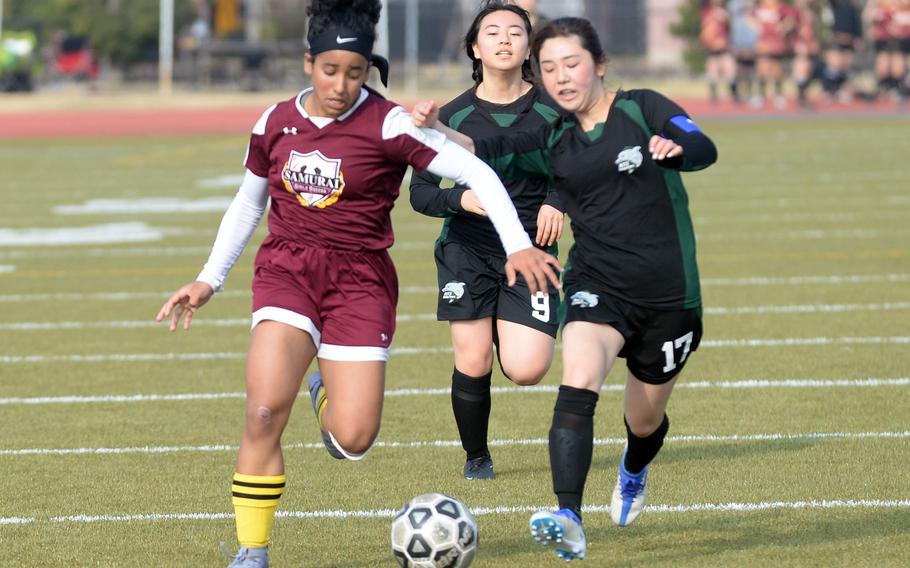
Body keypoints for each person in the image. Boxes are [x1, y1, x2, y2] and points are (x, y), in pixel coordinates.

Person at [154, 1, 561, 566]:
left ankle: (325, 393)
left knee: (354, 438)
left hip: (360, 282)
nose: (342, 85)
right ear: (308, 63)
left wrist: (517, 243)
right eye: (330, 71)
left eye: (355, 72)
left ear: (368, 68)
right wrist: (208, 279)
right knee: (265, 410)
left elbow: (478, 174)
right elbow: (249, 203)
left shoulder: (390, 123)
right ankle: (252, 551)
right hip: (288, 272)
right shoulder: (273, 122)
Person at [413, 16, 718, 562]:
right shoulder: (553, 134)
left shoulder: (642, 106)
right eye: (550, 68)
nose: (560, 76)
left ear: (599, 65)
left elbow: (702, 145)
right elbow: (487, 142)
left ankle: (632, 469)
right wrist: (433, 128)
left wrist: (678, 150)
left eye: (570, 64)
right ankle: (569, 516)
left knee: (643, 421)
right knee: (577, 379)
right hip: (594, 284)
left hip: (668, 295)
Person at [409, 0, 565, 482]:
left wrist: (558, 201)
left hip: (530, 250)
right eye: (492, 31)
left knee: (526, 368)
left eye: (515, 32)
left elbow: (581, 168)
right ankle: (477, 457)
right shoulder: (450, 117)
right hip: (467, 248)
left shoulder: (552, 110)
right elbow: (420, 194)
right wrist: (462, 200)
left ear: (528, 46)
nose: (503, 39)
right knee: (473, 357)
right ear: (475, 47)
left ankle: (505, 319)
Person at [754, 0, 799, 108]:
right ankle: (760, 95)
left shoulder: (781, 8)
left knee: (777, 71)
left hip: (777, 44)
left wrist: (783, 27)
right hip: (764, 44)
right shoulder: (760, 7)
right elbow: (750, 18)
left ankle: (778, 95)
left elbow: (792, 20)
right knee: (762, 70)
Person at [699, 0, 738, 102]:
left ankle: (734, 96)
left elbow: (729, 27)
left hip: (724, 48)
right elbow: (706, 30)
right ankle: (714, 98)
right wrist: (709, 42)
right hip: (712, 48)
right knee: (713, 73)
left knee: (730, 71)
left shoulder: (724, 12)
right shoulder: (706, 12)